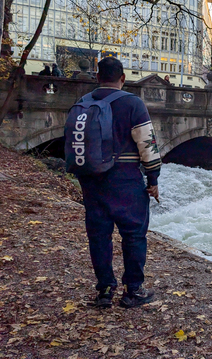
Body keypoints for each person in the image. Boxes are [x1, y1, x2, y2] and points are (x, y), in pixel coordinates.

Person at [72, 57, 161, 309]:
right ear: (122, 78)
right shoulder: (133, 104)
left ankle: (104, 291)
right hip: (125, 180)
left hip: (91, 181)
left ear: (97, 77)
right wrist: (153, 179)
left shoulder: (83, 103)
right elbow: (148, 145)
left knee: (99, 237)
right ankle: (133, 290)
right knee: (133, 235)